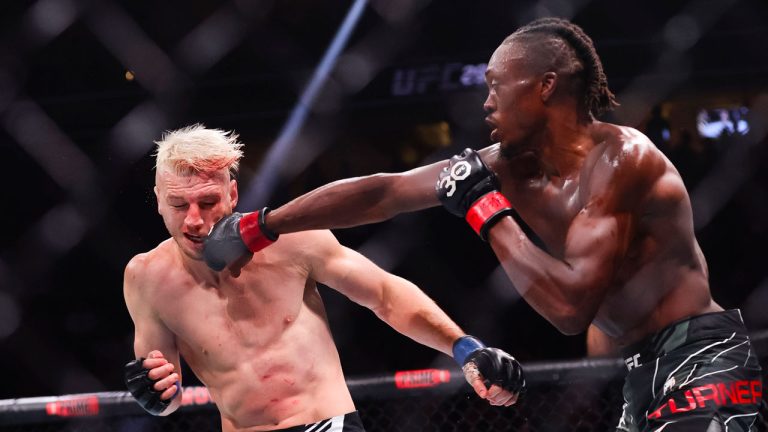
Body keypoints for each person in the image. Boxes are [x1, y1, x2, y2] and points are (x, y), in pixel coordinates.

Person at [204, 18, 763, 431]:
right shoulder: (509, 164)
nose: (486, 101)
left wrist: (484, 209)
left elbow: (569, 310)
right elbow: (387, 191)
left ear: (545, 86)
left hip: (700, 358)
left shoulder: (624, 163)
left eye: (498, 85)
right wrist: (264, 224)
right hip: (637, 371)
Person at [122, 124, 524, 432]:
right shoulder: (146, 278)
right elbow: (165, 391)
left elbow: (383, 293)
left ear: (233, 195)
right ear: (158, 200)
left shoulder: (288, 237)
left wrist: (465, 348)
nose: (194, 220)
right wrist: (153, 393)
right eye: (178, 204)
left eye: (208, 202)